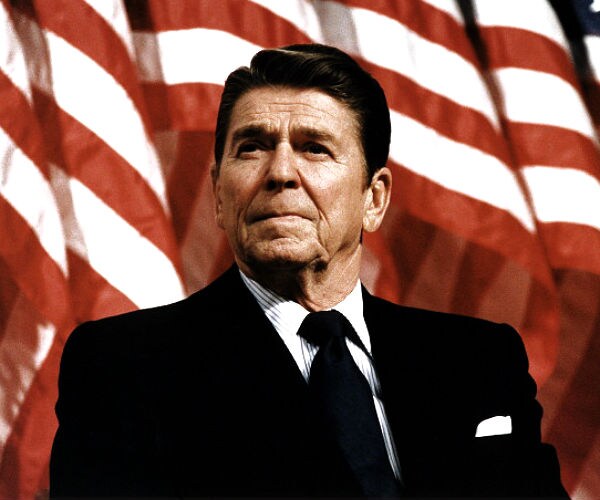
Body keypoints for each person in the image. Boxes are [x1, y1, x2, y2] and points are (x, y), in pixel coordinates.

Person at [49, 44, 568, 498]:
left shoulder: (480, 360)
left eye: (314, 148)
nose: (279, 172)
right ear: (219, 195)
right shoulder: (125, 367)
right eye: (251, 147)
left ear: (374, 199)